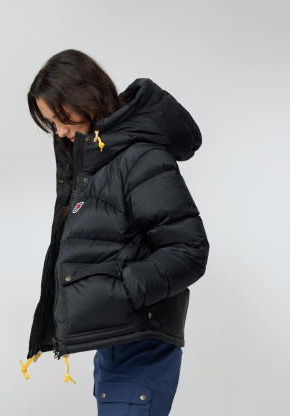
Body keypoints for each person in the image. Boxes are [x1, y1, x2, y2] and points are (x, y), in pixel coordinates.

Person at [20, 49, 210, 416]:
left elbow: (189, 250)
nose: (60, 132)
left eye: (62, 118)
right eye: (51, 123)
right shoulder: (98, 161)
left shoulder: (141, 158)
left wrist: (121, 291)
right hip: (116, 343)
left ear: (86, 98)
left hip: (141, 344)